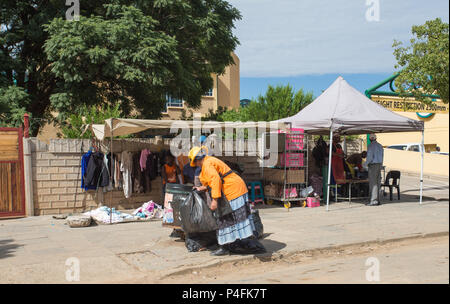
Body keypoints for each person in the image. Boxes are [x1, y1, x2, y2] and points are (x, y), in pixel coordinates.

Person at [188, 146, 256, 256]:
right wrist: (203, 188)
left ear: (197, 160)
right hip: (235, 187)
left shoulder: (207, 164)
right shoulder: (209, 161)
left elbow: (216, 180)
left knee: (225, 218)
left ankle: (225, 247)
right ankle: (234, 243)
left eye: (195, 163)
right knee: (233, 218)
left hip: (233, 189)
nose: (196, 165)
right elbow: (213, 180)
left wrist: (215, 200)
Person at [366, 134, 384, 206]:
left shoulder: (370, 146)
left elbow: (370, 157)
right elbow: (382, 156)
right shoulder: (380, 145)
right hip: (379, 164)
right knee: (378, 182)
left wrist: (364, 164)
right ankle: (378, 200)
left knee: (373, 183)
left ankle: (373, 200)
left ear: (370, 139)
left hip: (373, 165)